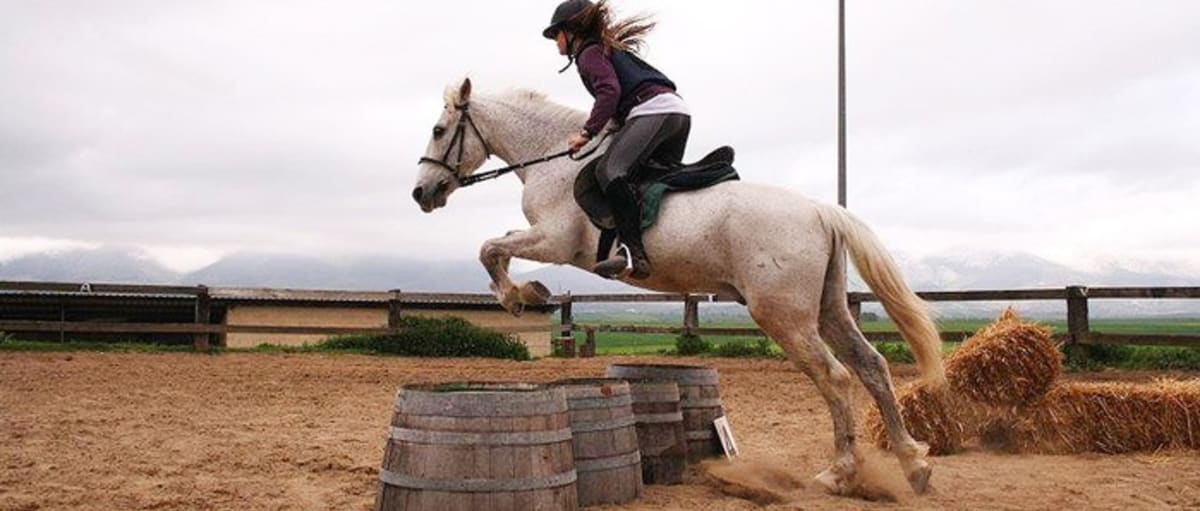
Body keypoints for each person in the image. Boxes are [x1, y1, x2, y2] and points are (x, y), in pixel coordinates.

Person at [543, 0, 690, 280]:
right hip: (676, 114)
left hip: (654, 112)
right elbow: (620, 95)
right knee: (641, 180)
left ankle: (633, 252)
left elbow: (609, 91)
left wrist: (587, 132)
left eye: (556, 35)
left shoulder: (589, 53)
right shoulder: (606, 50)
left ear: (571, 32)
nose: (556, 43)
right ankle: (647, 243)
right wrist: (614, 125)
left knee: (609, 171)